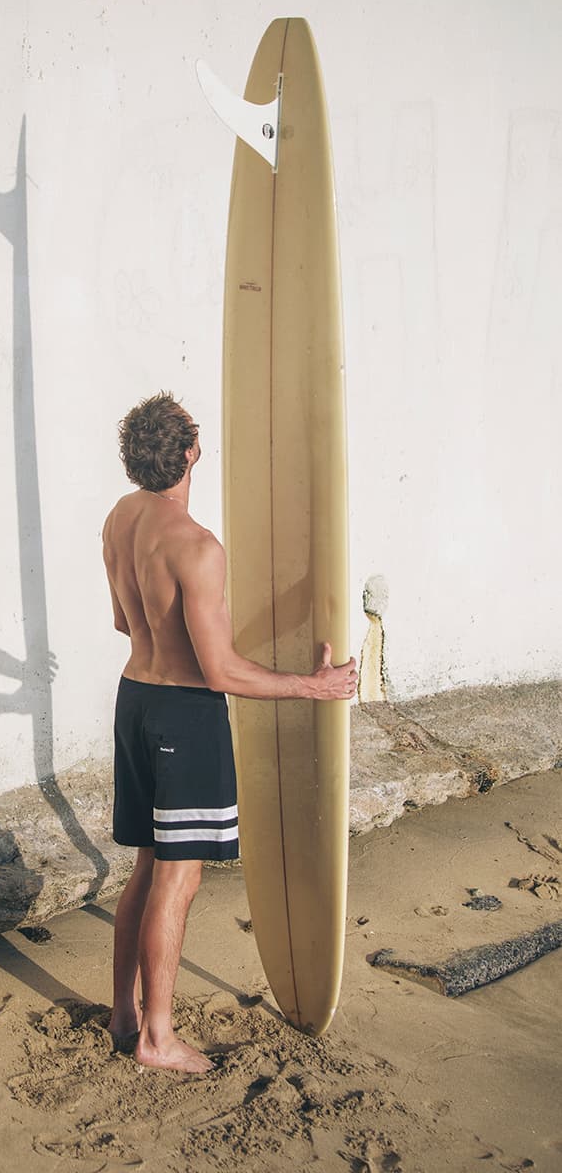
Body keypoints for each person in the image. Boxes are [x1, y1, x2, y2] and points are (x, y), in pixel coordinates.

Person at [102, 391, 357, 1073]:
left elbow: (126, 625)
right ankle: (158, 1038)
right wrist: (314, 686)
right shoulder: (198, 547)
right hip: (185, 717)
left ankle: (125, 1015)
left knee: (148, 868)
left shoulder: (120, 519)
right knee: (177, 881)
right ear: (191, 454)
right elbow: (218, 673)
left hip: (134, 701)